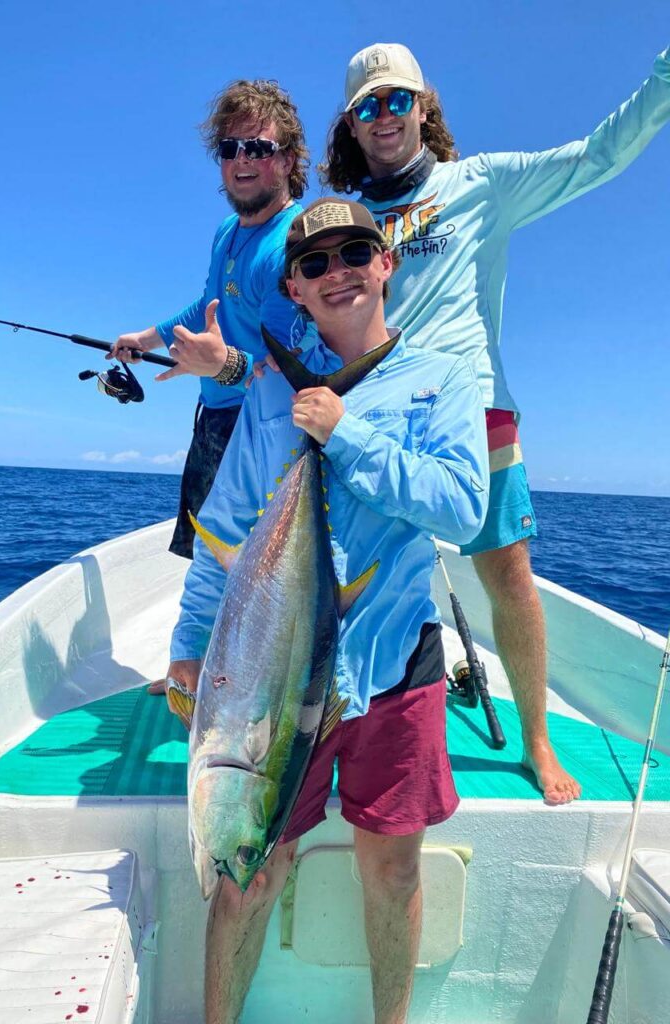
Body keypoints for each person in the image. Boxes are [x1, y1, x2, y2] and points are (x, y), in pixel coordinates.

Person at [165, 198, 489, 1024]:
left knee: (395, 870)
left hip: (392, 672)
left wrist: (347, 435)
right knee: (252, 867)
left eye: (355, 252)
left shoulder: (444, 380)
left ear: (386, 263)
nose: (336, 270)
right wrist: (190, 644)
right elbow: (223, 535)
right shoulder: (272, 394)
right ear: (297, 291)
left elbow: (462, 509)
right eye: (314, 264)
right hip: (271, 672)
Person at [322, 41, 670, 804]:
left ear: (424, 105)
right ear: (352, 124)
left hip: (474, 411)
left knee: (508, 577)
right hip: (373, 419)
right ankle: (339, 723)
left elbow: (599, 155)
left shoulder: (481, 183)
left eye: (396, 100)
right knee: (348, 579)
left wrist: (664, 78)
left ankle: (538, 741)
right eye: (367, 107)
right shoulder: (340, 220)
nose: (384, 117)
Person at [109, 79, 308, 560]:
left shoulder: (293, 244)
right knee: (206, 561)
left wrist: (223, 364)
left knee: (253, 573)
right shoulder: (226, 231)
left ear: (285, 159)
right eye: (229, 147)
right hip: (214, 420)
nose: (241, 159)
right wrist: (146, 336)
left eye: (257, 147)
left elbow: (286, 364)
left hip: (265, 431)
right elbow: (209, 304)